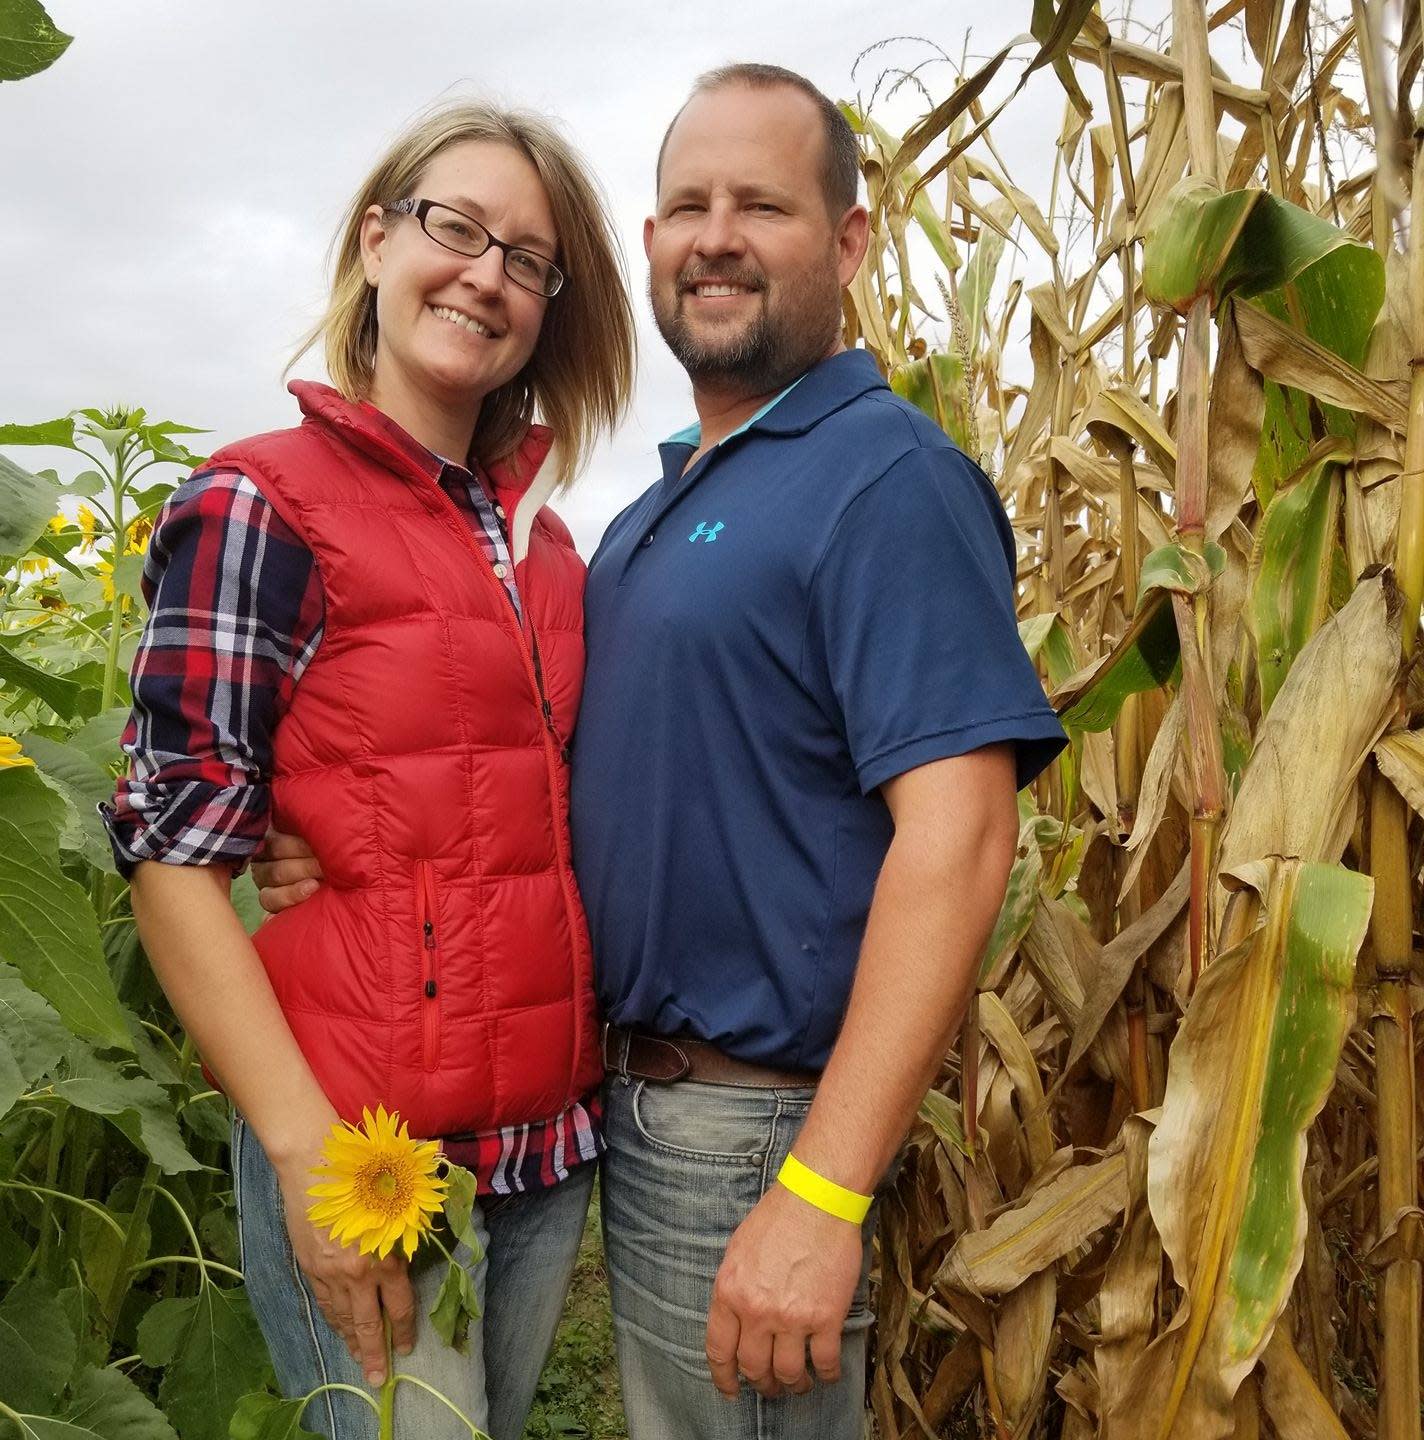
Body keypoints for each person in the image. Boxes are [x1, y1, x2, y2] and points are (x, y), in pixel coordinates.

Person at [258, 63, 1067, 1440]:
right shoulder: (649, 514)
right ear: (648, 243)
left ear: (849, 242)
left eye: (764, 205)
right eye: (689, 206)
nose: (717, 237)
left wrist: (822, 1193)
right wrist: (333, 847)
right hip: (625, 1120)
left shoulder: (887, 479)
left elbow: (964, 834)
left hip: (756, 1137)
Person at [105, 99, 635, 1440]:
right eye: (456, 228)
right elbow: (171, 859)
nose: (487, 276)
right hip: (367, 1157)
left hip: (538, 1152)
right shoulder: (257, 505)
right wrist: (302, 1157)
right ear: (377, 240)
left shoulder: (548, 550)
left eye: (529, 260)